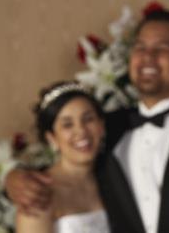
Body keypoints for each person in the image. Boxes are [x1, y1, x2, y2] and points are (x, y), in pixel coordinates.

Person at [7, 9, 169, 233]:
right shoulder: (107, 126)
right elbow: (65, 169)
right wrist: (12, 179)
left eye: (162, 48)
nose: (147, 57)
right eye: (140, 47)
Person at [15, 81, 110, 233]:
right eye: (67, 125)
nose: (81, 131)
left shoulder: (113, 180)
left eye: (88, 119)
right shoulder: (38, 194)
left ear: (101, 126)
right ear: (52, 138)